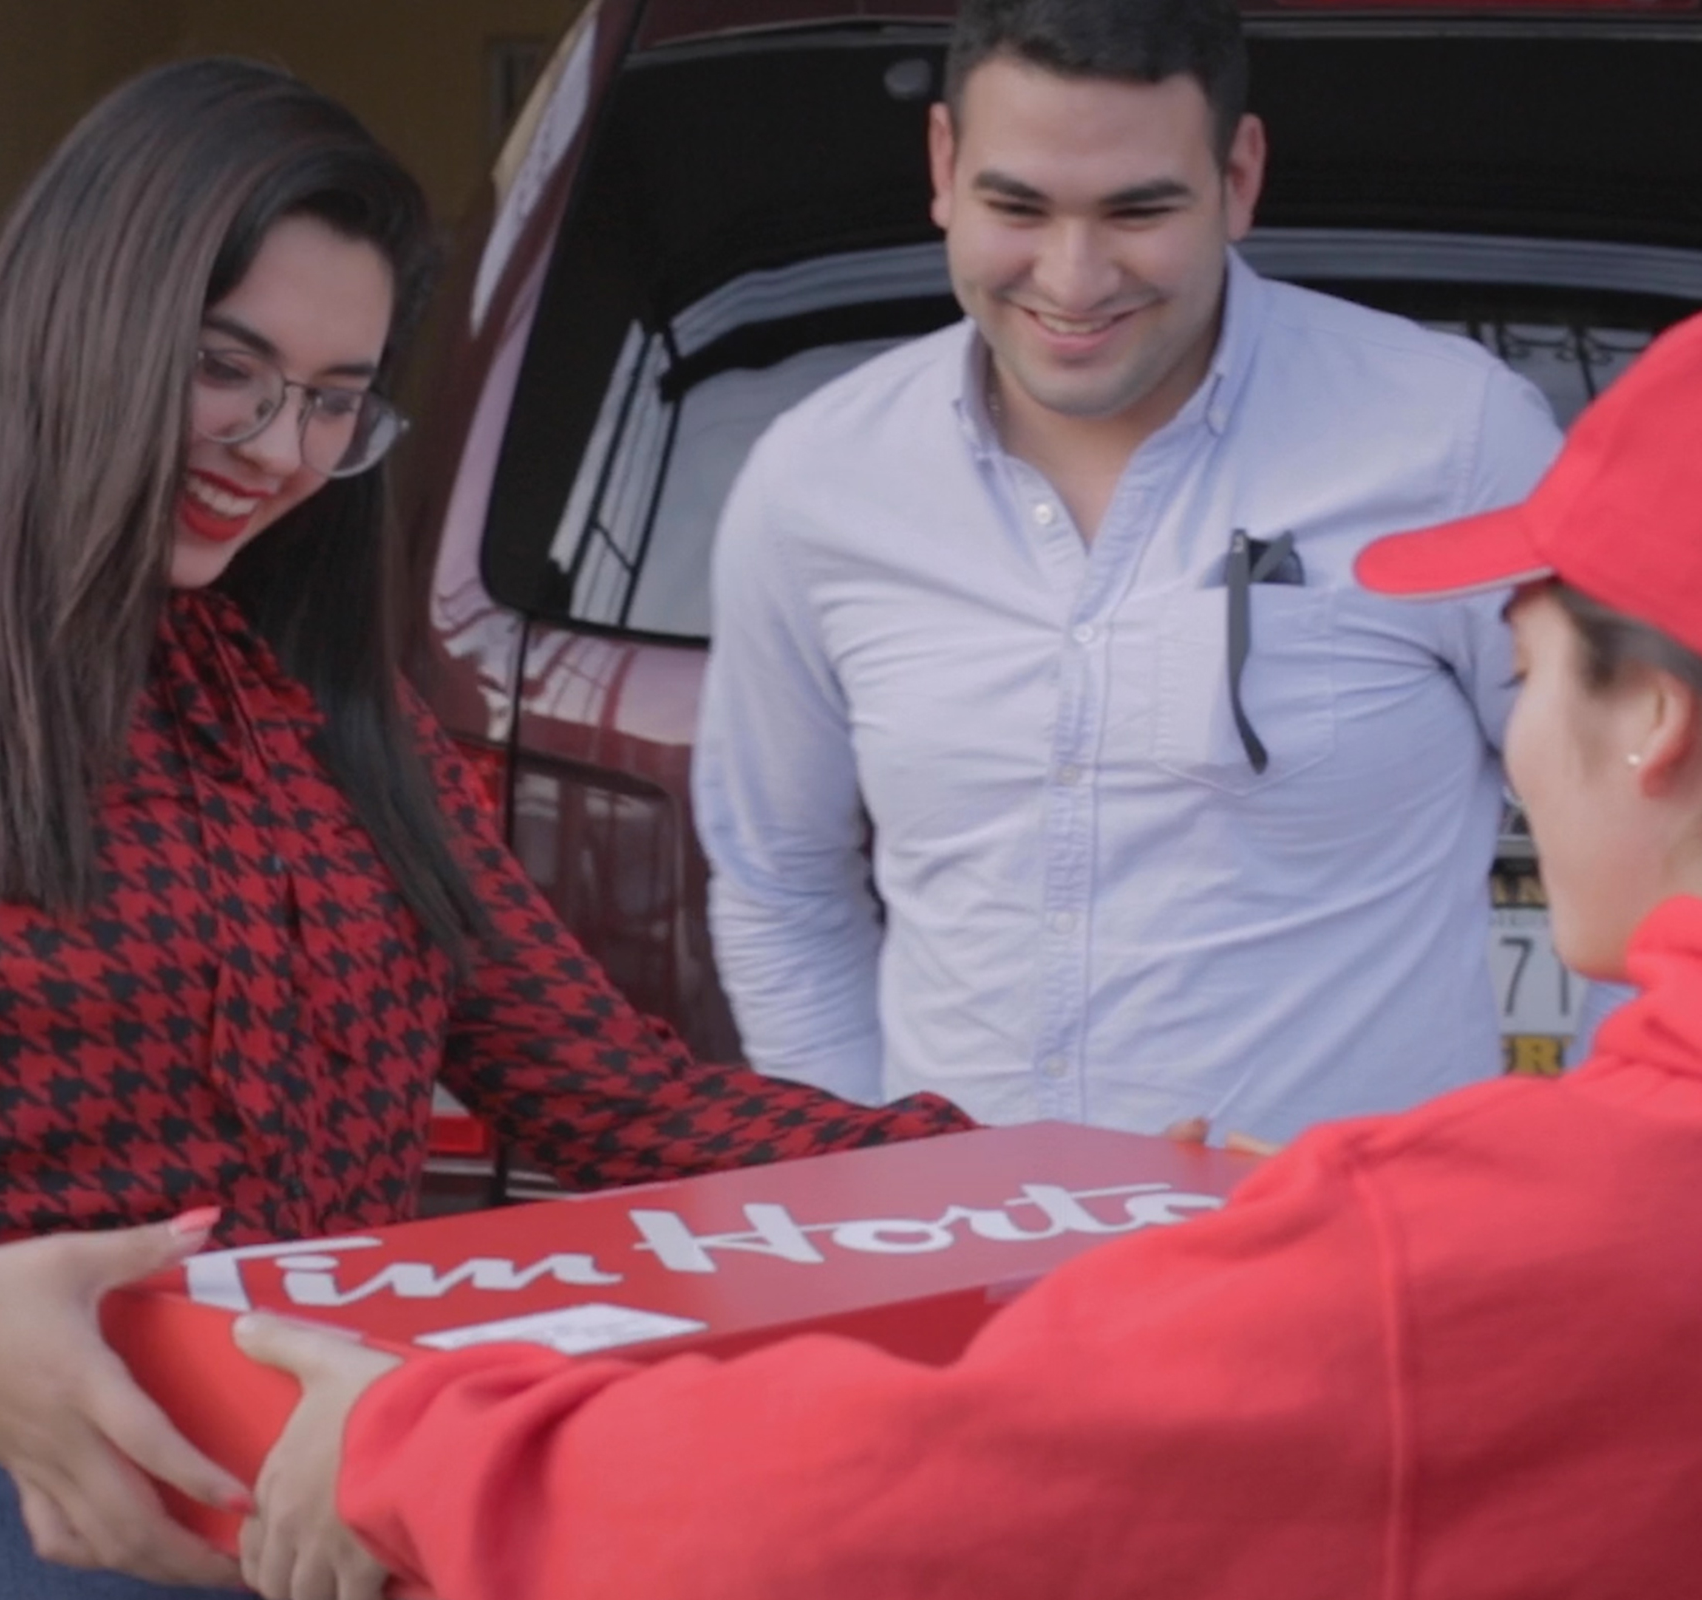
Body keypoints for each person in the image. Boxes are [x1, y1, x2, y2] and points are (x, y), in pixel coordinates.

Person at [233, 303, 1702, 1600]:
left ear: (1650, 717)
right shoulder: (1492, 1232)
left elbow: (841, 1523)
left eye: (1521, 670)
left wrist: (411, 1441)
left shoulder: (1468, 1252)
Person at [0, 58, 972, 1600]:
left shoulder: (318, 714)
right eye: (226, 369)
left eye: (335, 402)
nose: (280, 451)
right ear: (83, 319)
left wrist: (1039, 1179)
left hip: (315, 1502)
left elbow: (622, 1103)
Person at [691, 0, 1565, 1140]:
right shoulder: (815, 480)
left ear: (1237, 176)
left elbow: (1656, 831)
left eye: (1136, 210)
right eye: (1017, 206)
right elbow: (776, 878)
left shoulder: (1454, 443)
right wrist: (862, 1174)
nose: (1074, 276)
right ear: (944, 165)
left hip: (1348, 1279)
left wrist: (1588, 1161)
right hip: (965, 1278)